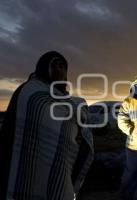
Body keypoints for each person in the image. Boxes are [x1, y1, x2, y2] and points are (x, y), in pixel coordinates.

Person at [0, 51, 94, 200]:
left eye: (61, 66)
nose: (58, 69)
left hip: (59, 162)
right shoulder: (29, 92)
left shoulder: (67, 100)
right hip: (28, 157)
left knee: (57, 188)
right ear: (43, 68)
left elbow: (72, 126)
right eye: (53, 65)